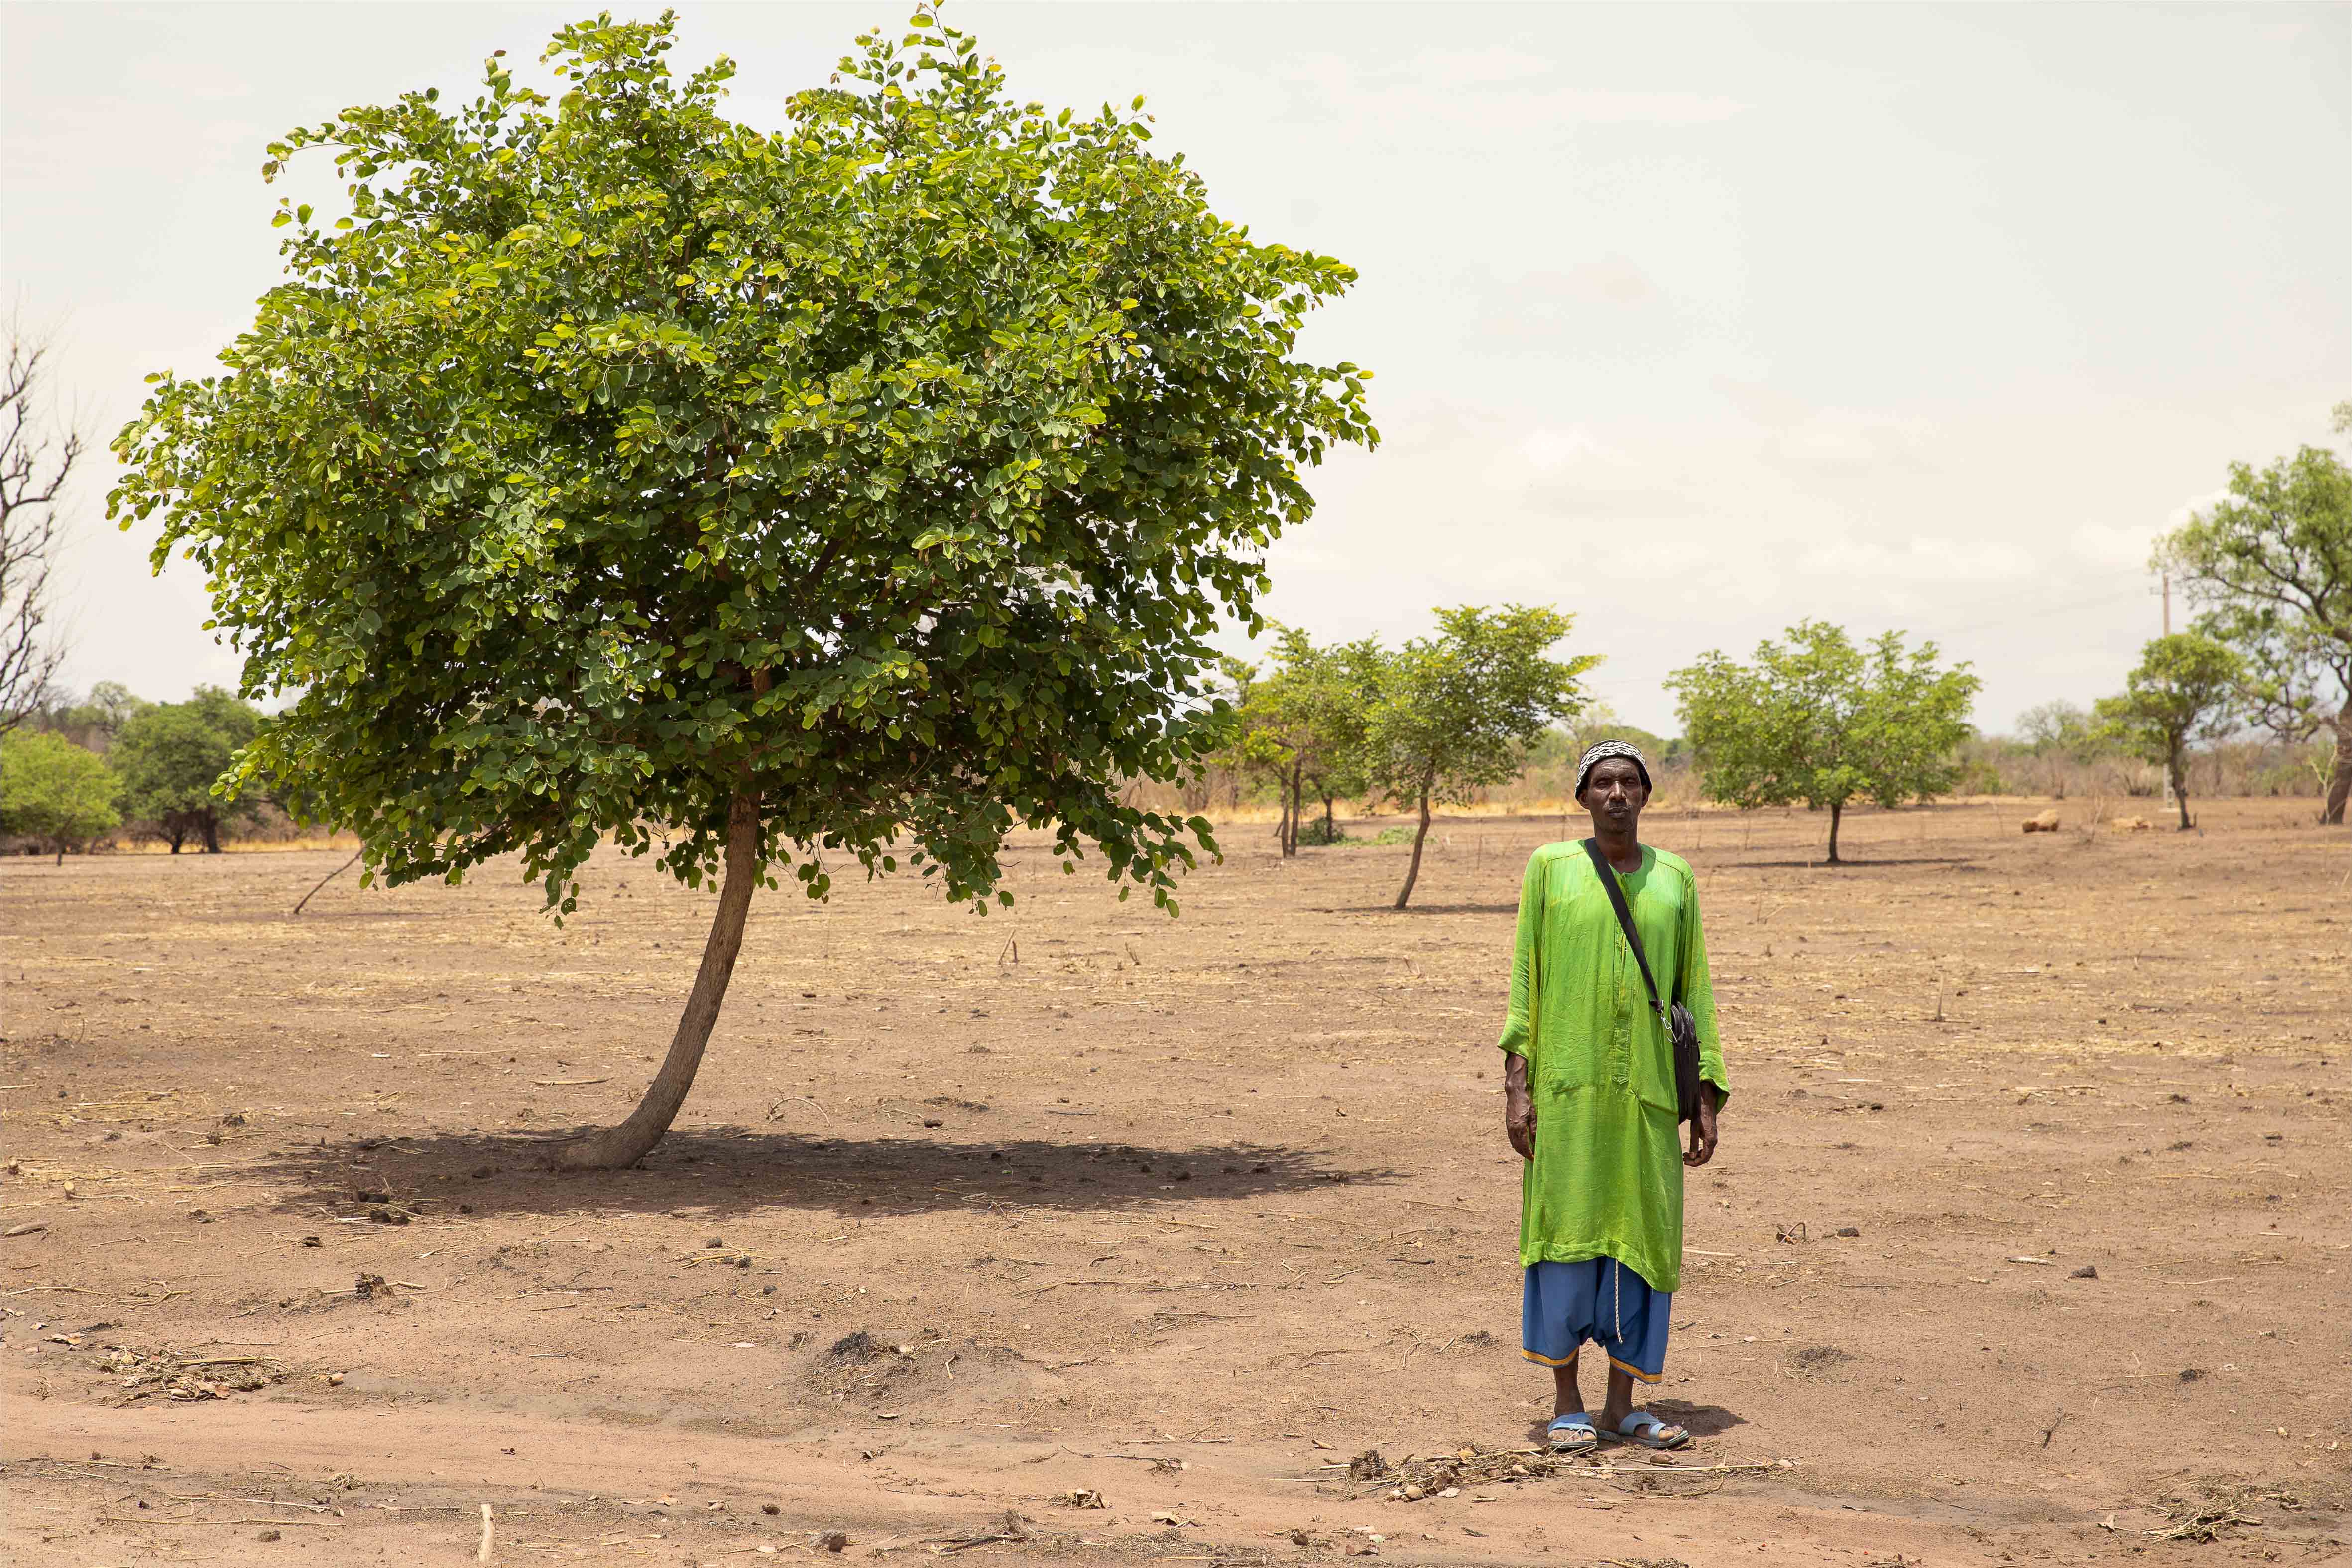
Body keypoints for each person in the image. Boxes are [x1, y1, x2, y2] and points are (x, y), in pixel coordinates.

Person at [1496, 740, 1728, 1453]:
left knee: (1642, 1240)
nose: (1618, 793)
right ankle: (1566, 1401)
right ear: (1583, 796)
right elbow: (1525, 981)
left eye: (1630, 782)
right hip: (1569, 1093)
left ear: (1647, 795)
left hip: (1649, 1096)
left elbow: (1696, 988)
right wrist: (1517, 1084)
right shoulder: (1550, 869)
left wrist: (1707, 1095)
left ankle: (1622, 1405)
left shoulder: (1676, 878)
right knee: (1565, 1235)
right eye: (1604, 783)